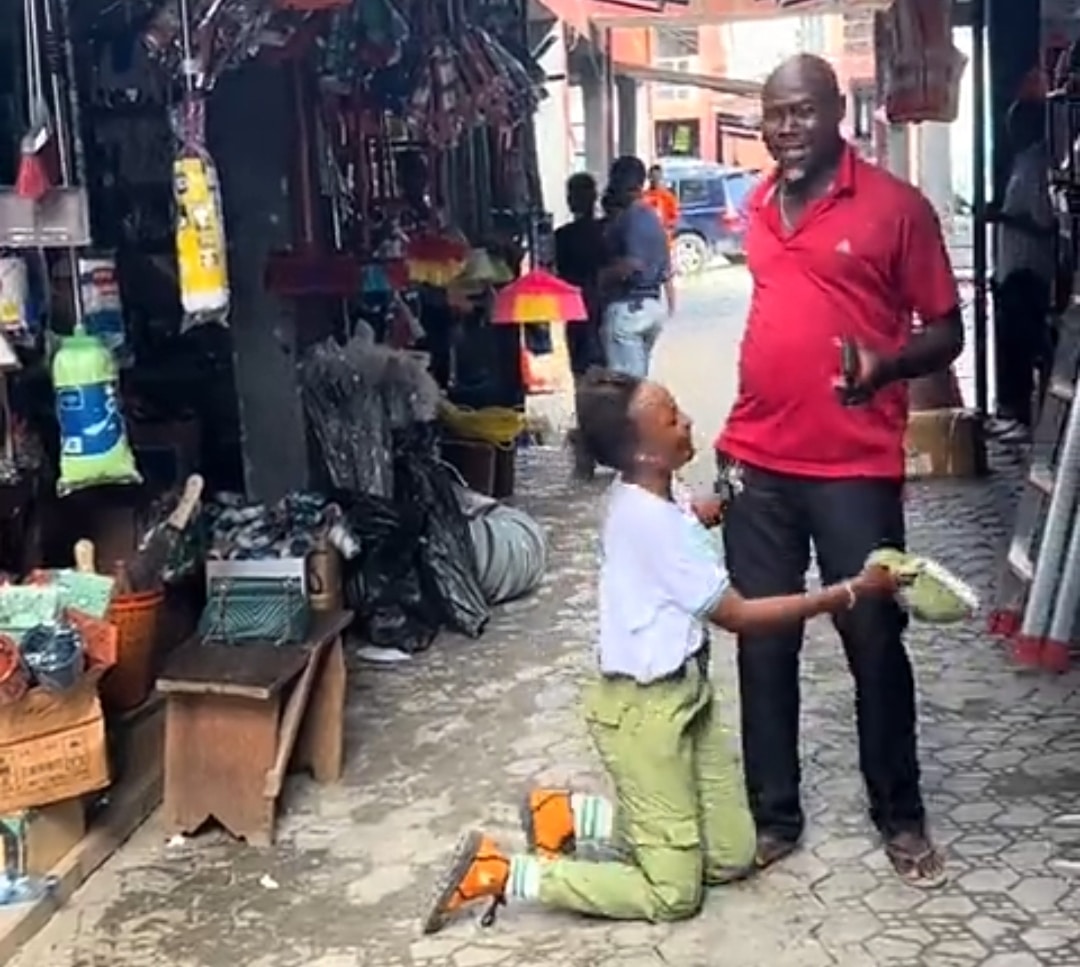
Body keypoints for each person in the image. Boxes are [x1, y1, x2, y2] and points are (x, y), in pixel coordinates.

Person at [422, 369, 905, 935]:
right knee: (675, 892)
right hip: (642, 715)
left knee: (730, 855)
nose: (688, 422)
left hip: (686, 696)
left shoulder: (647, 489)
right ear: (648, 453)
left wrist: (707, 509)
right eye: (673, 418)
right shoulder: (651, 526)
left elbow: (680, 513)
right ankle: (504, 872)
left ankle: (568, 815)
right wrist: (847, 591)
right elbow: (741, 617)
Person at [716, 55, 963, 889]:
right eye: (773, 114)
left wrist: (887, 361)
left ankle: (901, 813)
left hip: (854, 466)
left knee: (872, 638)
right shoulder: (754, 205)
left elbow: (948, 331)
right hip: (756, 461)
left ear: (836, 115)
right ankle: (772, 815)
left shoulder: (896, 209)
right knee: (762, 639)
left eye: (802, 112)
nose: (785, 128)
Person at [988, 97, 1055, 441]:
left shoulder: (1038, 164)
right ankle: (1015, 413)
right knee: (1013, 344)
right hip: (1012, 269)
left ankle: (1024, 418)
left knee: (1027, 346)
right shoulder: (1022, 162)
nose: (1010, 132)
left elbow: (1045, 222)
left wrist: (1001, 216)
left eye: (1016, 124)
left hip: (1029, 270)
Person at [599, 156, 673, 378]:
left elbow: (632, 264)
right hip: (651, 306)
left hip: (628, 309)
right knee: (638, 383)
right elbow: (667, 268)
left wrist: (601, 277)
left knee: (625, 392)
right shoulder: (652, 217)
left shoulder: (632, 217)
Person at [555, 173, 608, 478]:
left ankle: (585, 458)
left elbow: (556, 277)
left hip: (576, 313)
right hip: (601, 311)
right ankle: (605, 449)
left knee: (581, 382)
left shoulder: (562, 237)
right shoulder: (606, 232)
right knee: (609, 381)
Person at [643, 164, 679, 236]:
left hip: (663, 236)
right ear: (649, 178)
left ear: (661, 178)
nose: (654, 180)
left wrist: (667, 230)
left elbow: (674, 217)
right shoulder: (644, 196)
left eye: (657, 177)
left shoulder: (668, 197)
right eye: (652, 177)